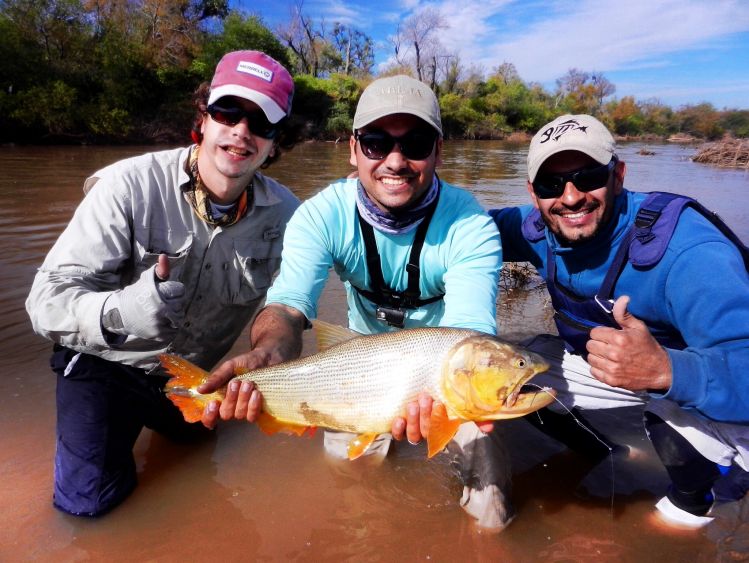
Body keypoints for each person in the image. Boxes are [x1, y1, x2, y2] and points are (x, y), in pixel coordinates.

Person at [201, 75, 513, 529]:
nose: (395, 160)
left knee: (492, 513)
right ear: (352, 149)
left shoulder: (472, 226)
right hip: (358, 370)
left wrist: (448, 400)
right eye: (376, 143)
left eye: (416, 143)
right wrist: (270, 353)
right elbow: (288, 306)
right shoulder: (320, 215)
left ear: (438, 152)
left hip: (446, 378)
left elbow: (469, 336)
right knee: (350, 483)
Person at [25, 50, 301, 517]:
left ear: (275, 143)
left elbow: (288, 307)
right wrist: (120, 312)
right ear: (204, 115)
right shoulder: (126, 186)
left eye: (261, 121)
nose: (241, 131)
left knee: (198, 458)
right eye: (228, 111)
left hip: (194, 377)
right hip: (104, 366)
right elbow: (43, 302)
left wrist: (271, 348)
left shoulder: (291, 216)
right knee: (89, 510)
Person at [490, 113, 749, 528]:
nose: (571, 197)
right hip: (629, 372)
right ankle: (610, 452)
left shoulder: (688, 250)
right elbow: (464, 228)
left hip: (714, 385)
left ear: (618, 175)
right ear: (533, 193)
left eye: (588, 176)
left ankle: (705, 497)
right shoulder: (538, 228)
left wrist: (666, 370)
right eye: (550, 184)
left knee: (668, 530)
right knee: (511, 380)